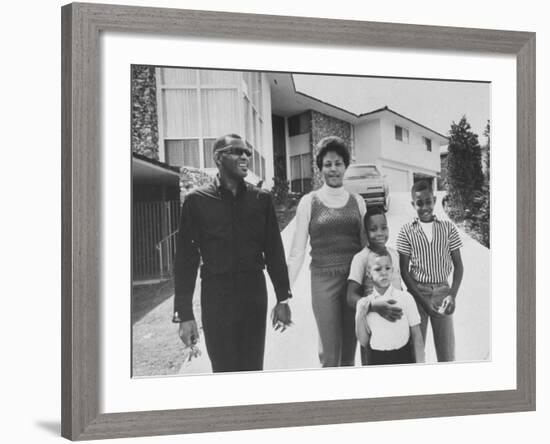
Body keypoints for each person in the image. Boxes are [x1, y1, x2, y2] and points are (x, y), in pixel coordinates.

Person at [172, 134, 292, 373]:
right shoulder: (196, 201)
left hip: (253, 296)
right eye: (236, 151)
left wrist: (283, 298)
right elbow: (186, 259)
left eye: (246, 152)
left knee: (252, 369)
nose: (245, 156)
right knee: (224, 371)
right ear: (218, 158)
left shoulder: (261, 199)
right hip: (217, 298)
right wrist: (184, 314)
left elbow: (274, 251)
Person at [287, 136, 365, 367]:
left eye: (338, 163)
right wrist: (284, 291)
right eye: (328, 164)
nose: (333, 169)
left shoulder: (357, 202)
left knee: (350, 352)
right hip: (323, 281)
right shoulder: (309, 202)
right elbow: (297, 251)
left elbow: (366, 248)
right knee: (330, 354)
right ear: (320, 168)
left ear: (345, 166)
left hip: (353, 281)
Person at [397, 180, 464, 362]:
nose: (424, 207)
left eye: (428, 201)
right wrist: (422, 301)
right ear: (413, 204)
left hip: (443, 293)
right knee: (416, 353)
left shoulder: (448, 228)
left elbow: (459, 266)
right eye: (419, 203)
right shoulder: (406, 232)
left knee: (447, 354)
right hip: (418, 295)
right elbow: (404, 271)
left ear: (434, 200)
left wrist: (452, 295)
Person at [347, 207, 405, 363]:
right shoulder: (361, 258)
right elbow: (350, 296)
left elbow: (400, 286)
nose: (380, 233)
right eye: (373, 229)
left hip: (396, 325)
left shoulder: (394, 254)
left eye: (384, 227)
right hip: (372, 327)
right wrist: (373, 306)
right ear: (365, 233)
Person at [354, 250, 425, 365]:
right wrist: (359, 315)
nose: (384, 273)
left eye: (387, 268)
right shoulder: (367, 303)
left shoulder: (405, 298)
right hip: (376, 359)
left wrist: (421, 365)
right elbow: (364, 341)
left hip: (403, 357)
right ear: (368, 273)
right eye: (378, 269)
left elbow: (417, 336)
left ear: (392, 270)